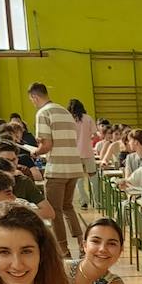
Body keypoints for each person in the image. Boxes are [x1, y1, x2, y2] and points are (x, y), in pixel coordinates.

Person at [28, 82, 83, 256]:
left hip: (57, 168)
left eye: (32, 100)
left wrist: (36, 151)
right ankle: (82, 245)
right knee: (68, 206)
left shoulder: (43, 113)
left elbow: (47, 144)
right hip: (74, 166)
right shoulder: (65, 112)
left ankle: (63, 249)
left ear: (35, 97)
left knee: (54, 210)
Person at [68, 99, 97, 210]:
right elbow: (94, 134)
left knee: (79, 179)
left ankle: (84, 201)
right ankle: (97, 201)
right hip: (88, 152)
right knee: (93, 178)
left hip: (75, 154)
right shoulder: (88, 118)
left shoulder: (70, 120)